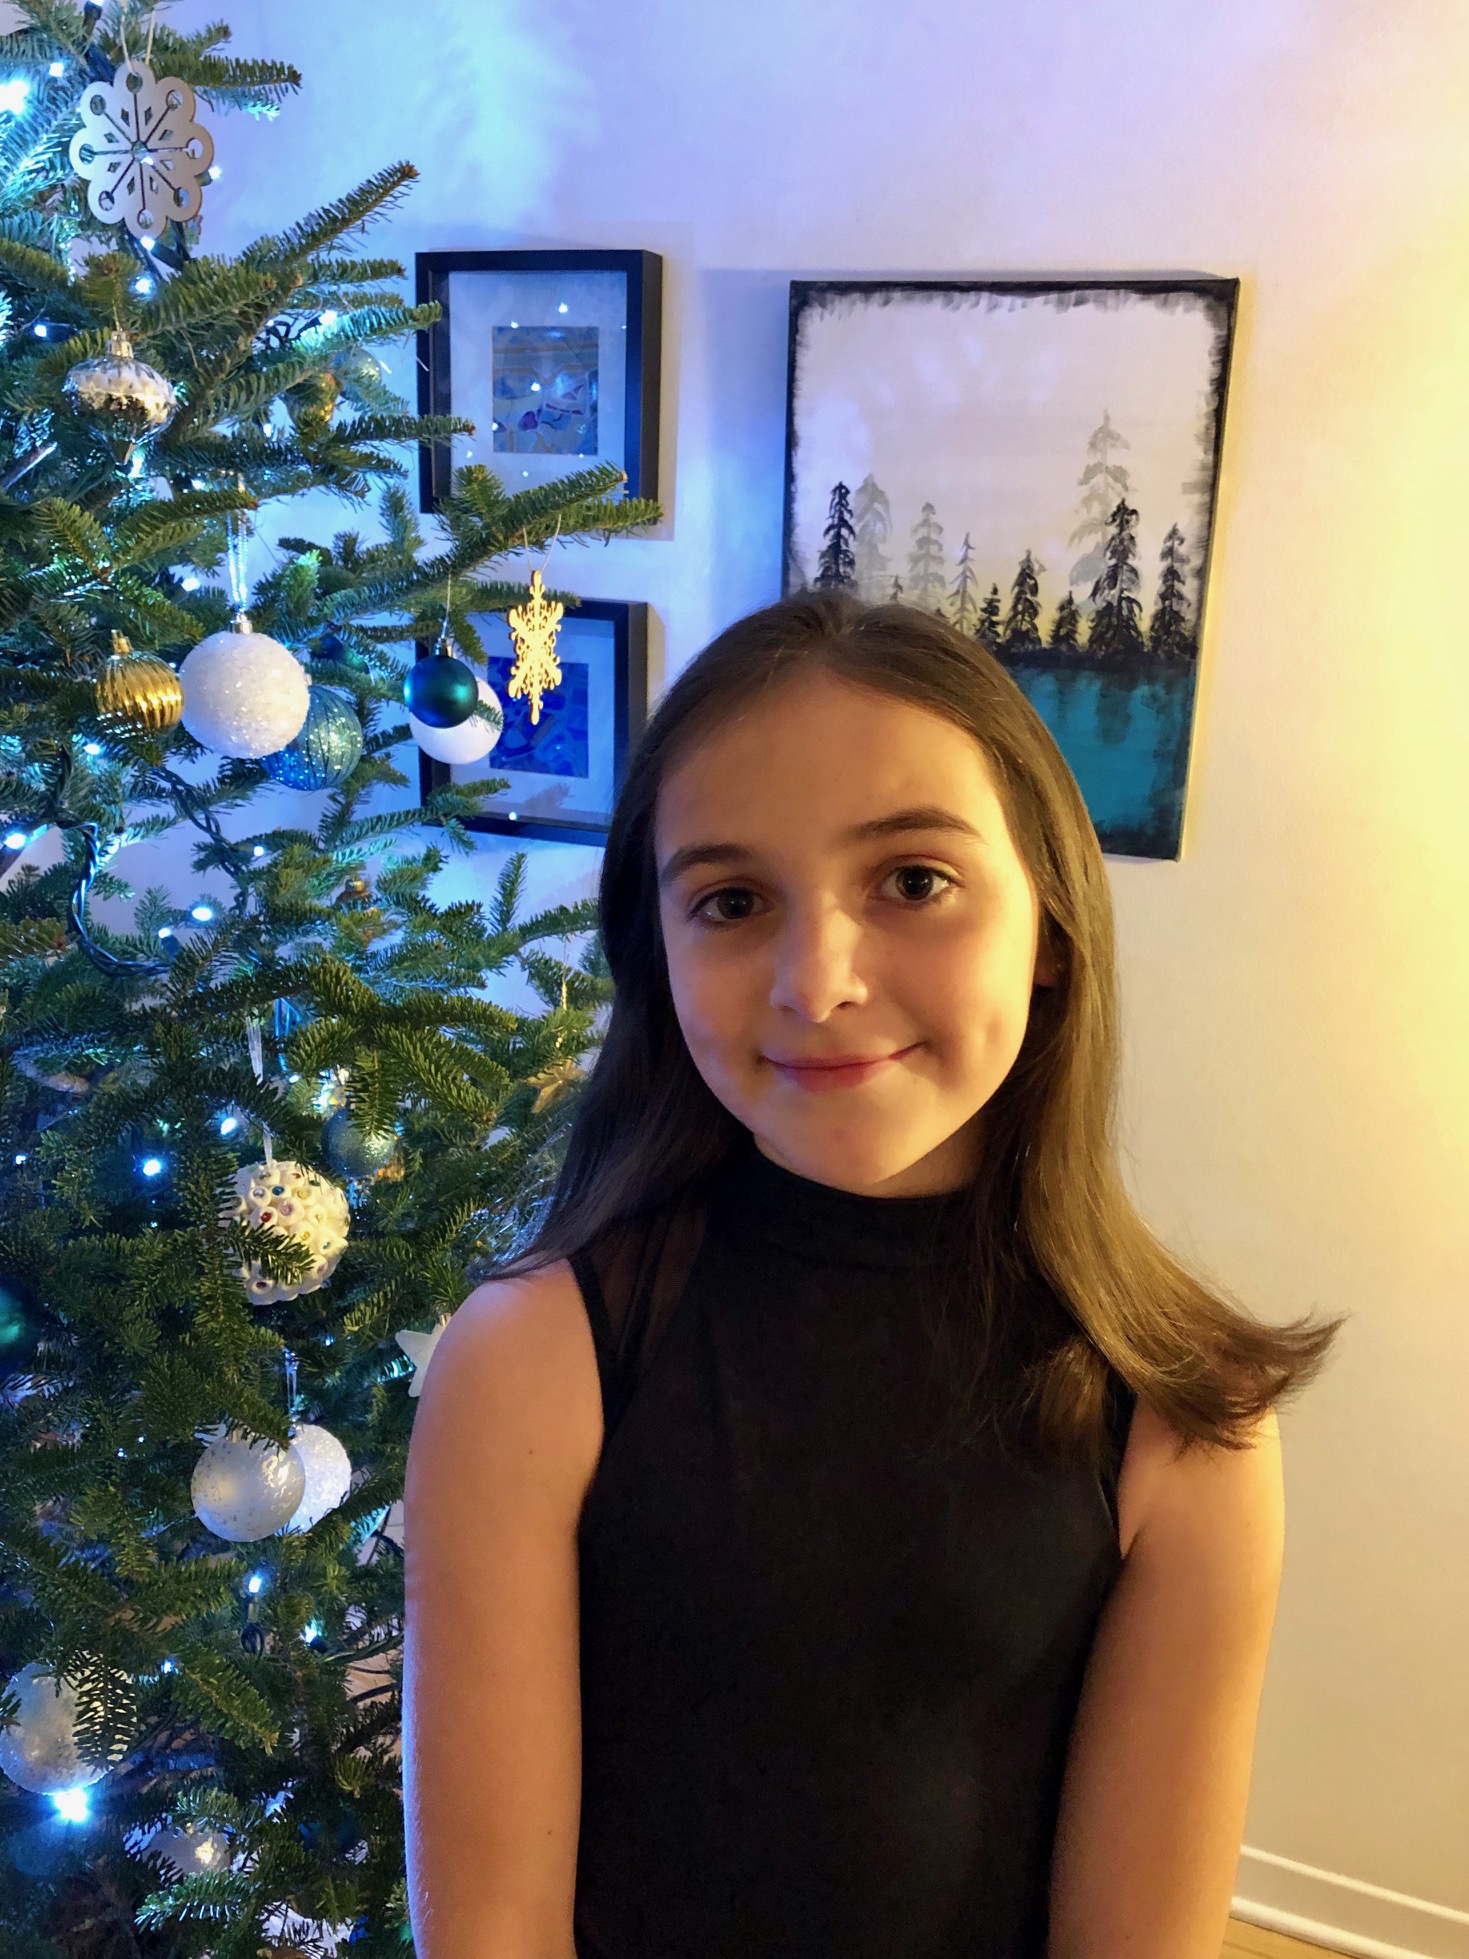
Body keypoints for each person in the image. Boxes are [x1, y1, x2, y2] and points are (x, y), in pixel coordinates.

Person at [402, 593, 1339, 1959]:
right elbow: (490, 1931)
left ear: (1052, 927)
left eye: (911, 881)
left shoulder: (1181, 1413)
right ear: (656, 961)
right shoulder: (531, 1361)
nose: (815, 980)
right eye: (730, 901)